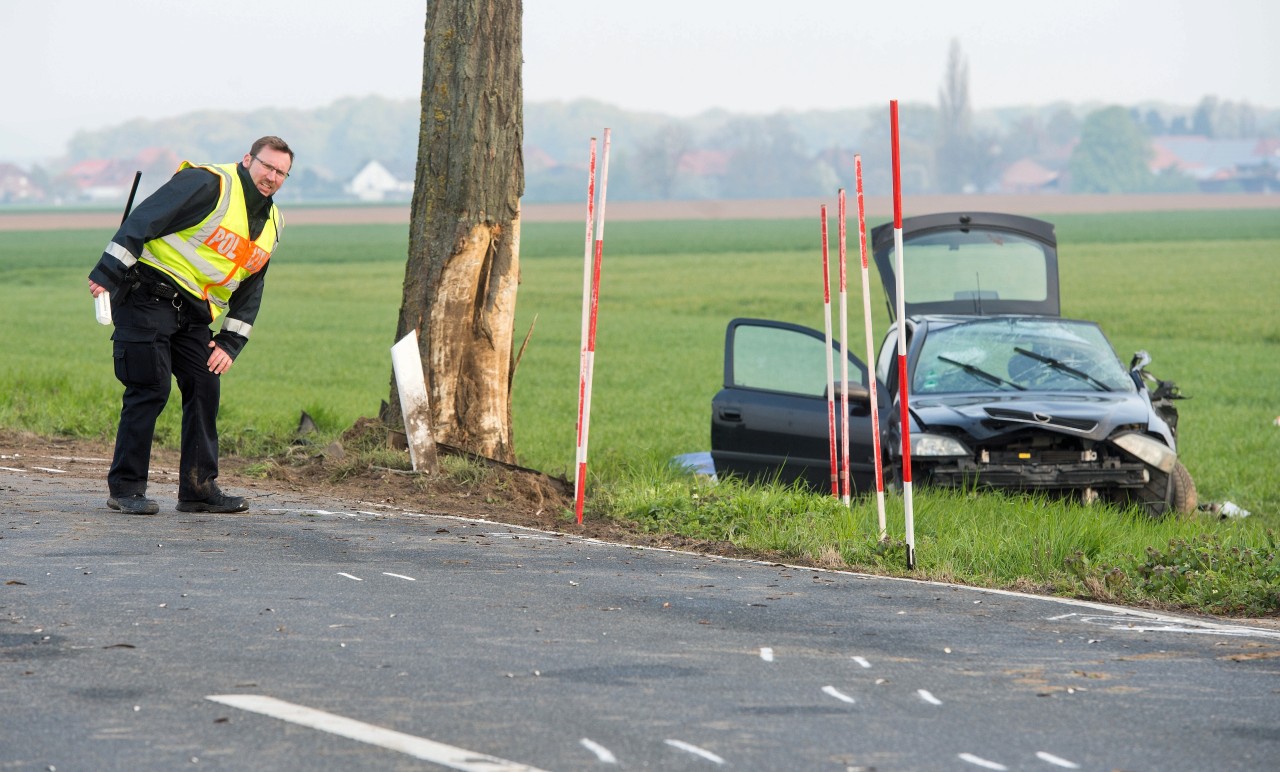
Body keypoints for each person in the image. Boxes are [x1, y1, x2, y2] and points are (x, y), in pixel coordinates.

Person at [87, 136, 293, 515]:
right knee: (150, 386)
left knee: (204, 383)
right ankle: (127, 488)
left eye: (282, 172)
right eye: (268, 166)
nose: (273, 176)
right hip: (148, 294)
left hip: (194, 313)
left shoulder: (273, 223)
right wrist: (109, 271)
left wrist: (230, 342)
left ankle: (198, 489)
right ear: (248, 159)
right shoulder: (209, 184)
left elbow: (251, 286)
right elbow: (146, 217)